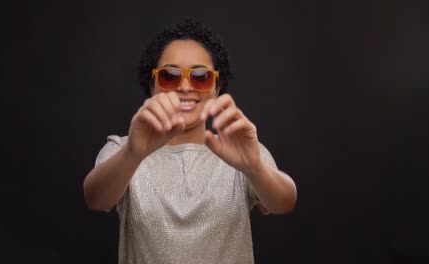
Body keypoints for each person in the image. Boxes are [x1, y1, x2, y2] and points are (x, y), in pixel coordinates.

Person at [83, 19, 297, 264]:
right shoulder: (123, 150)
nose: (185, 87)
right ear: (152, 85)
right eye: (170, 76)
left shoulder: (240, 151)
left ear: (217, 87)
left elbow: (284, 202)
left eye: (201, 76)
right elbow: (96, 199)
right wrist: (133, 153)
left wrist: (254, 167)